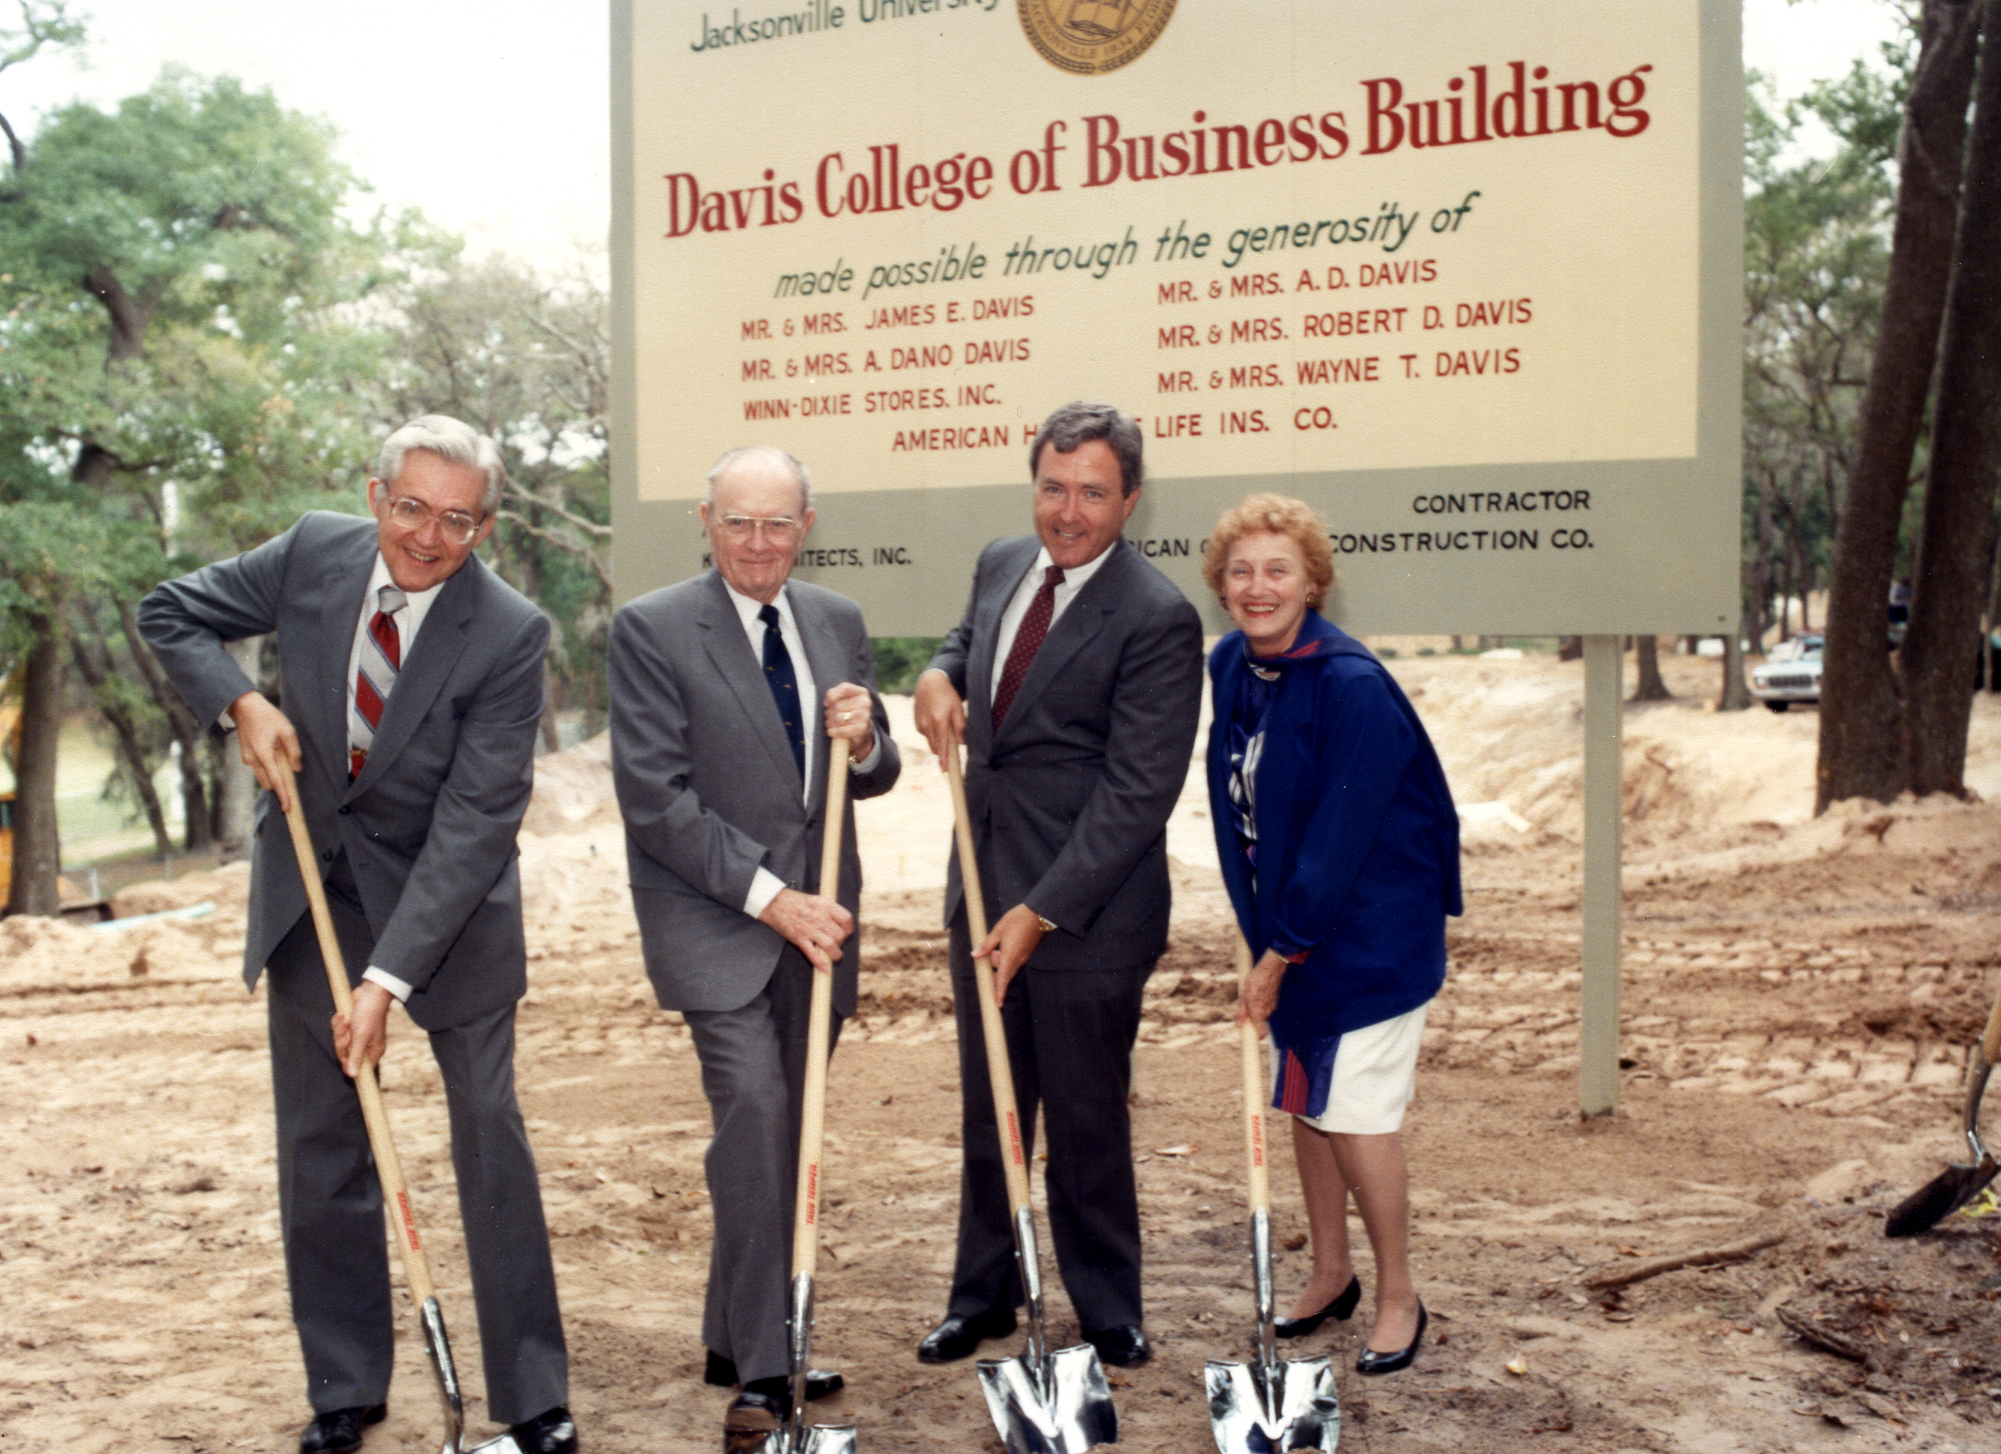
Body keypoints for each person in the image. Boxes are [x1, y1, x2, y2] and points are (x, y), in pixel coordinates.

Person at [137, 416, 576, 1454]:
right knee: (322, 1145)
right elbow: (170, 614)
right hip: (314, 893)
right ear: (377, 494)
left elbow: (475, 826)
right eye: (411, 506)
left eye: (457, 518)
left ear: (486, 524)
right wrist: (241, 700)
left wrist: (386, 977)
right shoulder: (310, 551)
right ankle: (344, 1383)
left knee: (489, 1138)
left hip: (449, 909)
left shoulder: (512, 632)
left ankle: (533, 1393)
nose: (427, 535)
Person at [607, 446, 900, 1449]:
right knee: (761, 1110)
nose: (759, 543)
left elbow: (872, 768)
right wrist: (776, 900)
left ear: (806, 524)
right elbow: (654, 798)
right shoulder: (650, 628)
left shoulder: (836, 620)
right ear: (706, 519)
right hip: (717, 915)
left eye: (778, 524)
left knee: (773, 1134)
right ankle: (768, 1376)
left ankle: (729, 1336)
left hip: (818, 929)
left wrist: (868, 740)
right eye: (740, 522)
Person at [911, 400, 1204, 1369]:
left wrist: (1041, 911)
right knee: (992, 1102)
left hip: (1088, 910)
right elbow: (971, 642)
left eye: (1091, 492)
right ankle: (981, 1295)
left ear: (1129, 499)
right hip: (982, 877)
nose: (1067, 512)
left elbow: (1136, 793)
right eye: (1052, 487)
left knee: (1083, 1112)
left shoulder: (1157, 616)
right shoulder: (1003, 561)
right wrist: (938, 672)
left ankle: (1108, 1301)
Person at [1200, 493, 1461, 1376]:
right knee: (1306, 1101)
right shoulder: (1234, 664)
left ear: (1312, 580)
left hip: (1365, 934)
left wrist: (1278, 953)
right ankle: (1331, 1272)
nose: (1257, 586)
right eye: (1240, 571)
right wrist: (1266, 931)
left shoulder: (1349, 686)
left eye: (1278, 569)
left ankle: (1399, 1294)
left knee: (1353, 1116)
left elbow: (1338, 840)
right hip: (1293, 925)